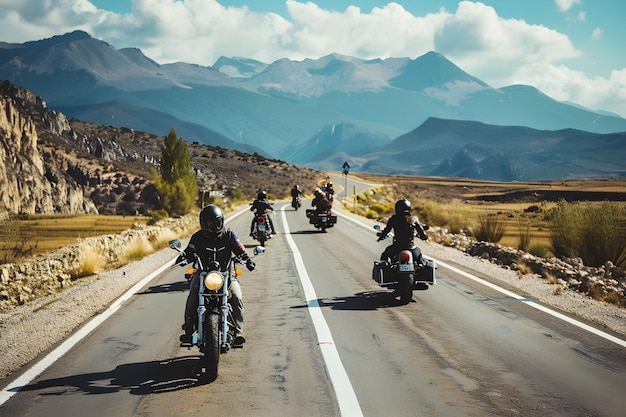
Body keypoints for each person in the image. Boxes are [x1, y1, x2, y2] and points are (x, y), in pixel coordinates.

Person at [179, 205, 256, 346]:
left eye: (215, 222)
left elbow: (240, 249)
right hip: (203, 274)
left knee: (237, 297)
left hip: (226, 274)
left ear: (221, 222)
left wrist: (247, 259)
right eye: (208, 223)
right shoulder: (197, 237)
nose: (212, 226)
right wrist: (184, 257)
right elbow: (189, 250)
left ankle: (238, 331)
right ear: (202, 222)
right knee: (193, 296)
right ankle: (189, 330)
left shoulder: (229, 235)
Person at [377, 199, 428, 264]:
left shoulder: (393, 219)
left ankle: (383, 273)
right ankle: (420, 270)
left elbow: (386, 231)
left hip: (396, 249)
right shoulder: (413, 219)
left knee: (384, 256)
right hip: (411, 249)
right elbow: (422, 234)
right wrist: (425, 237)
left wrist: (380, 237)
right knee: (420, 259)